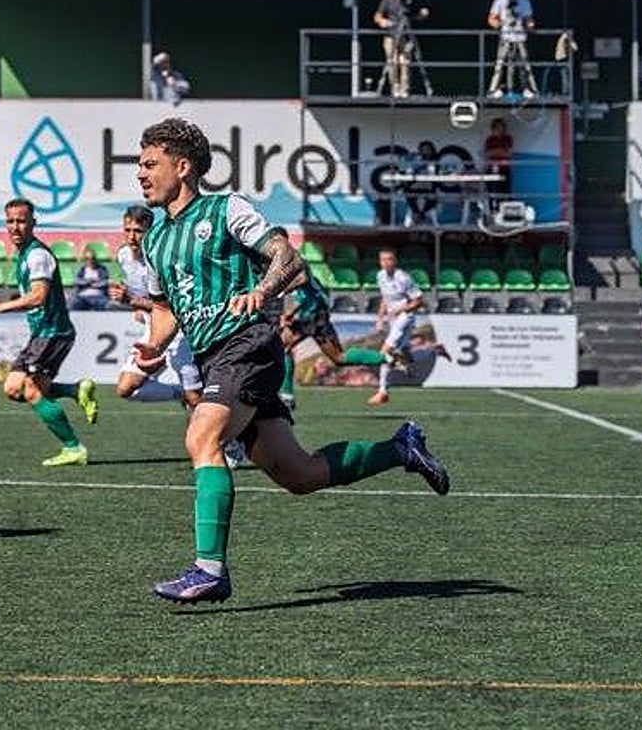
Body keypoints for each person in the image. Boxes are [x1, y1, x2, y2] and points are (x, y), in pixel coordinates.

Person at [132, 118, 450, 604]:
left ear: (183, 167)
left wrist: (261, 291)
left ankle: (209, 570)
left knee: (201, 436)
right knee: (299, 475)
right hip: (216, 357)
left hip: (247, 345)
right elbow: (164, 308)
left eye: (149, 164)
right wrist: (154, 346)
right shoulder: (155, 240)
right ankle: (400, 448)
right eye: (139, 165)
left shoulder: (225, 209)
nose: (140, 173)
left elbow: (288, 257)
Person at [0, 198, 99, 467]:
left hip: (53, 333)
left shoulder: (37, 255)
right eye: (10, 221)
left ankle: (73, 448)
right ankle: (75, 390)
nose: (15, 226)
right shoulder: (24, 254)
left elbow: (38, 296)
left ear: (33, 223)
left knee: (32, 391)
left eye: (21, 221)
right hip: (42, 334)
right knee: (13, 389)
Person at [109, 204, 203, 407]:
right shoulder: (123, 255)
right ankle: (179, 394)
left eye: (138, 231)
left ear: (150, 231)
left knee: (196, 398)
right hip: (152, 331)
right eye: (127, 230)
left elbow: (171, 308)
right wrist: (138, 305)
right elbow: (140, 291)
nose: (132, 237)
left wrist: (132, 301)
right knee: (125, 388)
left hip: (179, 333)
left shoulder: (162, 259)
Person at [275, 263, 395, 411]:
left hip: (315, 317)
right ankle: (287, 395)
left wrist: (286, 302)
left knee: (338, 358)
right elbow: (302, 296)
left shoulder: (298, 266)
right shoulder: (295, 274)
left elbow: (302, 280)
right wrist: (289, 312)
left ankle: (386, 358)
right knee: (285, 347)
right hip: (308, 318)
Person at [367, 247, 450, 407]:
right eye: (383, 259)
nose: (386, 263)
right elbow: (384, 299)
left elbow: (418, 300)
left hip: (405, 318)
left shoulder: (403, 278)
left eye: (389, 259)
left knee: (384, 352)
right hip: (392, 319)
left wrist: (401, 309)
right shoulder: (380, 276)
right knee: (407, 356)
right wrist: (380, 318)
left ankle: (382, 392)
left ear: (395, 261)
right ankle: (435, 350)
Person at [374, 0, 430, 99]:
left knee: (405, 62)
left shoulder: (409, 1)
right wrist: (383, 22)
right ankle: (395, 88)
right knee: (392, 62)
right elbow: (377, 16)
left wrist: (422, 15)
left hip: (406, 36)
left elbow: (415, 16)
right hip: (391, 35)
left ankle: (404, 89)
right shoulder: (387, 0)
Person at [487, 0, 537, 99]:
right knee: (500, 64)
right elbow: (491, 18)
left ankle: (528, 89)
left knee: (524, 64)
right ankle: (493, 90)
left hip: (520, 37)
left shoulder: (524, 1)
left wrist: (530, 25)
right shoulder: (499, 1)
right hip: (505, 37)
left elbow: (529, 19)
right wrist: (500, 25)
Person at [404, 140, 441, 227]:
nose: (426, 152)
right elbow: (409, 171)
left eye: (428, 149)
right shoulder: (417, 160)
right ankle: (415, 213)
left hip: (430, 186)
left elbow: (435, 174)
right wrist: (417, 168)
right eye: (424, 149)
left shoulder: (436, 161)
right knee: (408, 190)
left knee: (433, 194)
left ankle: (424, 215)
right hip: (416, 185)